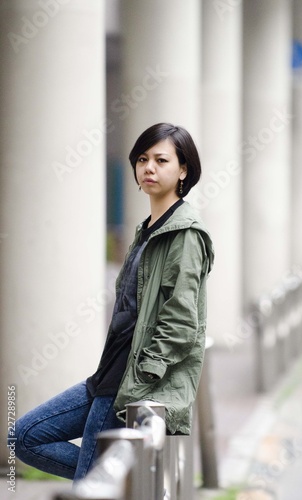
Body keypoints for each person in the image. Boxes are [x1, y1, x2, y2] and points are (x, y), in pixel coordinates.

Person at [13, 122, 214, 482]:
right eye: (142, 159)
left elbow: (182, 322)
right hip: (108, 376)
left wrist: (143, 374)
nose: (149, 167)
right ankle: (118, 480)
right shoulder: (147, 230)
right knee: (25, 437)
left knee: (92, 483)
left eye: (161, 160)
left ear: (183, 169)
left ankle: (111, 480)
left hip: (132, 380)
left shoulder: (185, 235)